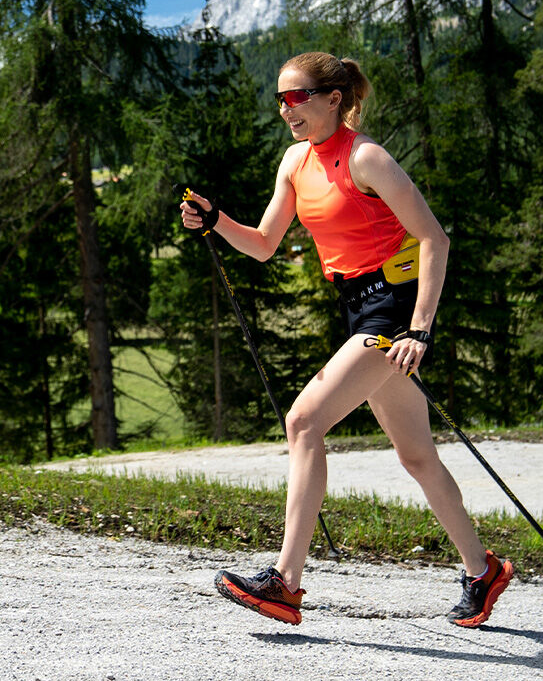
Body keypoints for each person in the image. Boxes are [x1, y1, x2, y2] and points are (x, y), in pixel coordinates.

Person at [180, 51, 512, 629]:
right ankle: (483, 572)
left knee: (303, 421)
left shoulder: (368, 158)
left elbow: (434, 238)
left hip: (394, 307)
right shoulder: (294, 162)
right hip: (357, 306)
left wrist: (420, 329)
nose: (287, 110)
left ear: (333, 99)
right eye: (280, 99)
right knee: (416, 456)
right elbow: (262, 243)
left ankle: (285, 583)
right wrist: (215, 221)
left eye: (296, 97)